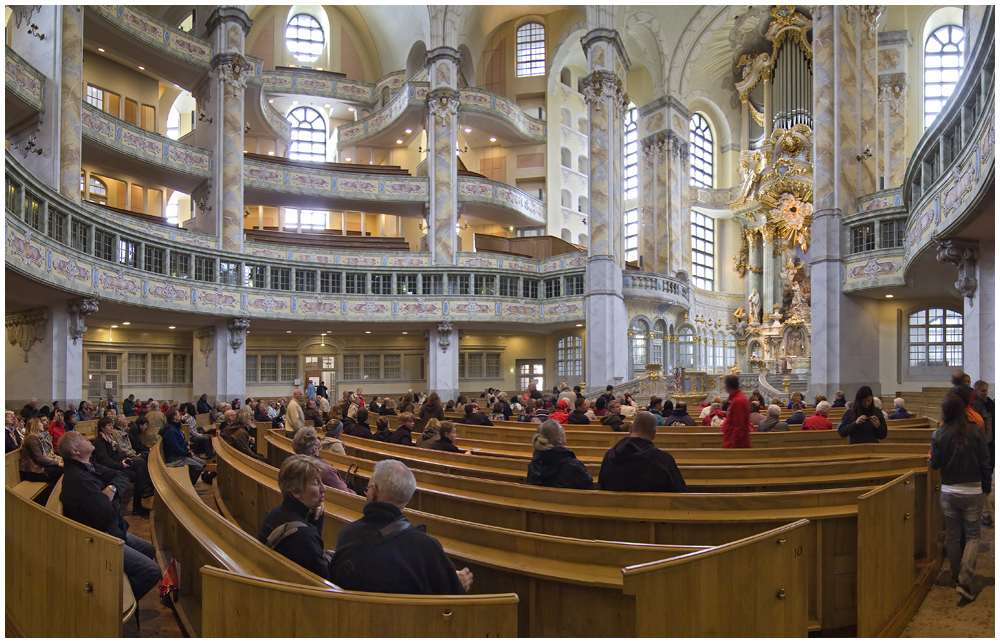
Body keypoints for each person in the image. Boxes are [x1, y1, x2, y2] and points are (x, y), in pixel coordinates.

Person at [329, 459, 472, 594]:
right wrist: (458, 585)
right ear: (407, 497)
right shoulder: (428, 549)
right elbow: (450, 601)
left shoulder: (347, 533)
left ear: (373, 492)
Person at [58, 431, 160, 601]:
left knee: (148, 549)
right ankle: (111, 605)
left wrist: (112, 490)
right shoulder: (78, 480)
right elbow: (108, 515)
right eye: (82, 438)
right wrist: (111, 497)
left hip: (111, 529)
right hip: (98, 539)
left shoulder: (88, 466)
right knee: (152, 571)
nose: (87, 438)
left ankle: (116, 582)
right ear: (74, 451)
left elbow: (120, 476)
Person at [930, 394, 991, 601]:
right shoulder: (976, 431)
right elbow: (986, 461)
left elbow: (935, 464)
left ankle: (956, 576)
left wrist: (930, 459)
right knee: (973, 536)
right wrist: (986, 487)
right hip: (973, 490)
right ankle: (965, 576)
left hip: (948, 491)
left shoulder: (939, 433)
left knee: (953, 536)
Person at [257, 454, 332, 578]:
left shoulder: (273, 515)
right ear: (296, 491)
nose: (324, 488)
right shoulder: (303, 536)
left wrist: (315, 520)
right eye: (315, 483)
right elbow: (324, 578)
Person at [598, 412, 687, 492]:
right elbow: (679, 491)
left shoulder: (609, 455)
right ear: (654, 434)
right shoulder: (663, 460)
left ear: (630, 429)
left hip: (613, 508)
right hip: (654, 509)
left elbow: (602, 484)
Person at [93, 418, 151, 516]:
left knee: (140, 463)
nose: (112, 427)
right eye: (108, 425)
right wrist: (120, 464)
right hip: (110, 470)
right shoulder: (100, 442)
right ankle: (141, 498)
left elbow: (117, 453)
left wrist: (123, 460)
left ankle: (143, 493)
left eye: (112, 424)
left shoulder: (109, 438)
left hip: (117, 464)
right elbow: (105, 461)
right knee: (137, 474)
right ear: (102, 428)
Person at [526, 420, 593, 490]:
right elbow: (589, 489)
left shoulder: (534, 464)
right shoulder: (573, 466)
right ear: (559, 439)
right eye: (562, 430)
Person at [292, 428, 355, 495]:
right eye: (316, 438)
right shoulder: (325, 470)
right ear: (315, 449)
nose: (319, 439)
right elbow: (346, 493)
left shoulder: (295, 464)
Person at [160, 408, 206, 484]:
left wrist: (186, 446)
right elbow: (175, 448)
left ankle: (189, 481)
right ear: (174, 417)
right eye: (178, 414)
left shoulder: (175, 427)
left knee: (203, 463)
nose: (180, 415)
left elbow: (180, 441)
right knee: (198, 467)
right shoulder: (171, 430)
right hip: (175, 456)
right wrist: (187, 453)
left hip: (181, 452)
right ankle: (188, 486)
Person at [19, 418, 63, 483]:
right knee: (61, 471)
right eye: (40, 423)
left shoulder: (35, 437)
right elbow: (39, 458)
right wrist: (58, 463)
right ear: (34, 425)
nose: (42, 424)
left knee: (63, 469)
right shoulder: (32, 437)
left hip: (36, 468)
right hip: (32, 471)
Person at [720, 375, 751, 448]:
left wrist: (733, 447)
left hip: (735, 445)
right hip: (734, 443)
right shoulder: (737, 399)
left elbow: (738, 427)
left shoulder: (738, 401)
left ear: (727, 386)